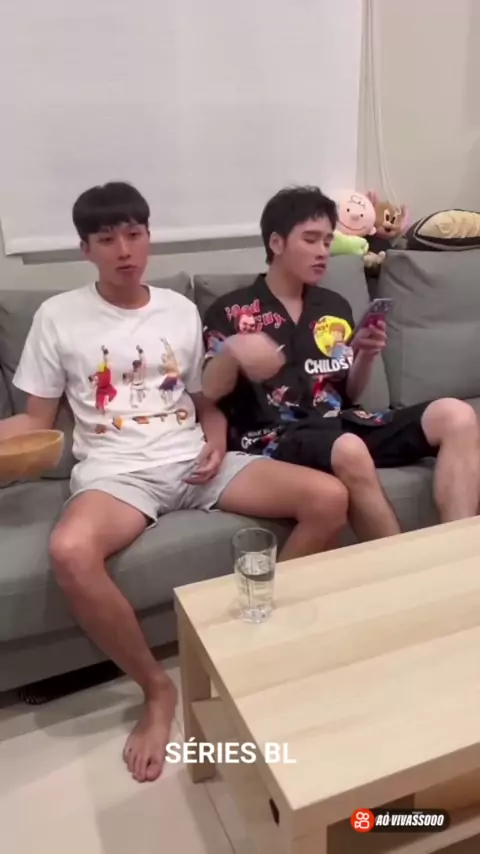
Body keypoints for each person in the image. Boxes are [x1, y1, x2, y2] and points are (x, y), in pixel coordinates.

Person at [0, 182, 349, 783]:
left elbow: (202, 398)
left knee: (328, 498)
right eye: (107, 239)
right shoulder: (58, 316)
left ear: (148, 237)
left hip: (194, 460)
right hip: (119, 474)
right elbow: (34, 420)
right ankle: (157, 691)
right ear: (85, 249)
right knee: (71, 550)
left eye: (134, 234)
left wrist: (215, 437)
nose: (124, 250)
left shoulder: (179, 310)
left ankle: (254, 634)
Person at [202, 185, 480, 540]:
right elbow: (209, 391)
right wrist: (233, 350)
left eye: (327, 241)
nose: (323, 251)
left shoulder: (333, 305)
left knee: (457, 415)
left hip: (340, 423)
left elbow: (347, 391)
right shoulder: (232, 310)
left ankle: (459, 552)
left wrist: (365, 355)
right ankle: (402, 565)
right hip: (274, 436)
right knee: (349, 448)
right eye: (310, 240)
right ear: (276, 243)